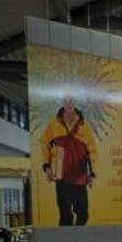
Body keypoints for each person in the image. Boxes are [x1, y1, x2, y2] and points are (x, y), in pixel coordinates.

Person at [39, 95, 98, 226]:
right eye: (66, 99)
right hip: (61, 177)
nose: (69, 102)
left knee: (83, 214)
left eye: (72, 99)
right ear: (63, 101)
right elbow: (44, 143)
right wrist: (46, 166)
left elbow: (92, 151)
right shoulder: (54, 123)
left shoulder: (84, 125)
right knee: (65, 215)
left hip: (79, 178)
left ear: (75, 102)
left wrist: (93, 174)